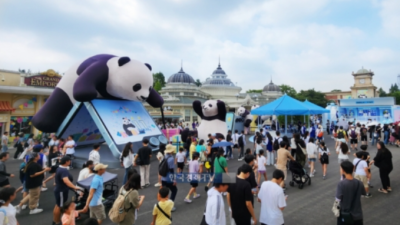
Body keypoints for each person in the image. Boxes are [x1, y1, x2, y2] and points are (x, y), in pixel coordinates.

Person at [336, 161, 366, 225]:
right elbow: (363, 193)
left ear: (343, 170)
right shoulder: (359, 183)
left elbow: (338, 198)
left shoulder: (341, 184)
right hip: (358, 215)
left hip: (345, 215)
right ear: (353, 169)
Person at [53, 156, 81, 225]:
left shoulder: (59, 168)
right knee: (60, 207)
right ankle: (57, 222)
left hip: (59, 190)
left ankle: (55, 221)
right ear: (66, 162)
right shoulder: (64, 170)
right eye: (69, 161)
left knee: (58, 205)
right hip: (61, 191)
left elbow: (57, 178)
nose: (70, 162)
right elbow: (66, 180)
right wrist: (75, 187)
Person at [161, 144, 178, 212]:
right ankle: (170, 206)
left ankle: (163, 206)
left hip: (163, 178)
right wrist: (174, 180)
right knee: (174, 190)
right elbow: (171, 170)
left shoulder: (164, 157)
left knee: (165, 193)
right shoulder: (171, 159)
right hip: (169, 178)